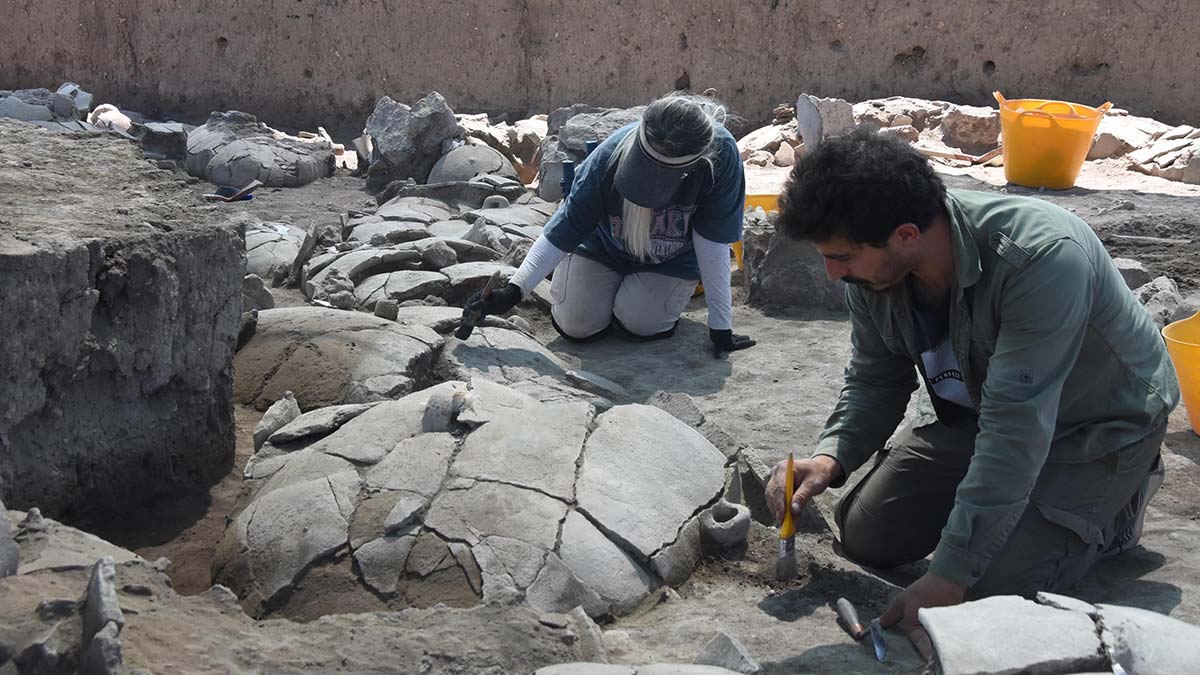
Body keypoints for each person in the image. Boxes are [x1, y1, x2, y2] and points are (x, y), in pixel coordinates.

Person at [764, 128, 1179, 632]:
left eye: (842, 257)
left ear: (906, 236)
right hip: (984, 412)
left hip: (1097, 425)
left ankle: (1114, 509)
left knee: (988, 595)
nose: (832, 274)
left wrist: (951, 572)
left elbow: (1016, 428)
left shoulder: (1041, 257)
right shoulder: (875, 271)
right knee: (867, 535)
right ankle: (1009, 509)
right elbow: (876, 382)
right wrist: (832, 456)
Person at [462, 92, 755, 354]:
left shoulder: (721, 158)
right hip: (601, 247)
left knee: (641, 324)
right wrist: (512, 293)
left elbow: (712, 241)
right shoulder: (607, 157)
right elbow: (566, 227)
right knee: (576, 325)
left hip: (671, 259)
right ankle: (611, 297)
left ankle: (633, 301)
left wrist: (721, 327)